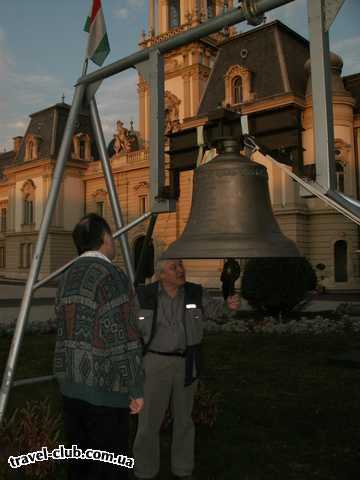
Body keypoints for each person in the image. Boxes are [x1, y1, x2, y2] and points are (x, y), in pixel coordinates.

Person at [53, 213, 144, 480]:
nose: (114, 240)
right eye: (112, 235)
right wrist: (136, 388)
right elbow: (123, 335)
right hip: (104, 392)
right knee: (108, 469)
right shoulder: (112, 275)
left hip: (70, 388)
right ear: (104, 239)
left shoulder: (65, 277)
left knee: (78, 468)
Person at [133, 259, 240, 480]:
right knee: (148, 424)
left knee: (184, 421)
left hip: (186, 363)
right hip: (154, 363)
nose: (181, 270)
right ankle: (144, 471)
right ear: (161, 274)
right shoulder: (144, 296)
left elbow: (217, 312)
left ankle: (182, 470)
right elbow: (128, 327)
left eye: (181, 265)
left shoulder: (195, 293)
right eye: (174, 267)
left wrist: (229, 307)